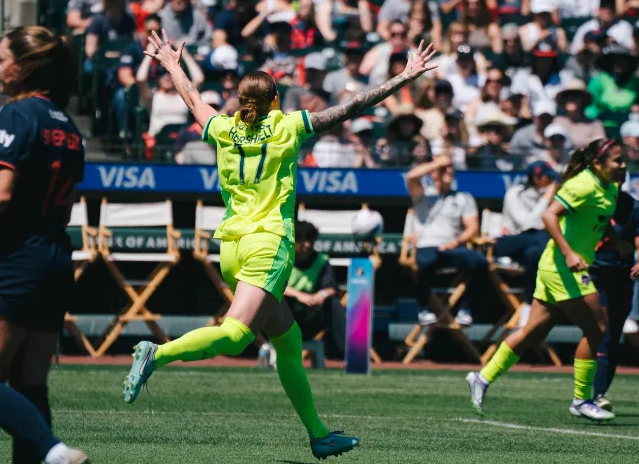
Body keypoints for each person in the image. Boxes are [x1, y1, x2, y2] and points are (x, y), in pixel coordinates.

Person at [122, 30, 438, 458]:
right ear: (275, 99)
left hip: (232, 247)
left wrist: (173, 65)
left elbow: (193, 98)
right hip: (269, 243)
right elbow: (353, 107)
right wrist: (404, 78)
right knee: (236, 336)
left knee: (287, 342)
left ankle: (320, 434)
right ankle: (156, 354)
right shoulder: (287, 126)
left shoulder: (221, 127)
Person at [0, 26, 88, 463]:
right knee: (30, 385)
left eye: (2, 59)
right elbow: (63, 210)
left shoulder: (17, 115)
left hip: (16, 259)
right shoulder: (69, 128)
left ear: (24, 68)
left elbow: (0, 192)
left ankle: (53, 451)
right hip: (54, 258)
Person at [467, 138, 626, 422]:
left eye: (623, 159)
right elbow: (548, 216)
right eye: (617, 161)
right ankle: (581, 399)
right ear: (598, 164)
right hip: (563, 268)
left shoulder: (612, 187)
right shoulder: (582, 184)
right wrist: (569, 253)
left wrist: (617, 242)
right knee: (598, 327)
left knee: (534, 332)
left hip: (555, 267)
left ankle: (482, 377)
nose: (623, 165)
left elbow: (598, 221)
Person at [406, 154, 489, 327]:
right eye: (443, 170)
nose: (448, 171)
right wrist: (438, 163)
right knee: (426, 261)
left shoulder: (463, 197)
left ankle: (465, 309)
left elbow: (473, 227)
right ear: (432, 173)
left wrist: (456, 241)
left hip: (452, 246)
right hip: (427, 245)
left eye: (450, 168)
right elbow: (411, 176)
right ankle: (424, 308)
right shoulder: (423, 195)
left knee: (480, 262)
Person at [590, 191, 639, 413]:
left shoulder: (634, 207)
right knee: (602, 329)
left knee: (614, 334)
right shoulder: (588, 200)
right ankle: (591, 395)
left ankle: (599, 393)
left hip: (622, 274)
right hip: (593, 272)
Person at [493, 161, 558, 308]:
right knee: (542, 240)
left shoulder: (549, 195)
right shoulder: (515, 193)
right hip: (510, 242)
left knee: (534, 253)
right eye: (548, 177)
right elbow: (527, 225)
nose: (552, 182)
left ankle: (529, 305)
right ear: (537, 178)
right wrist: (546, 198)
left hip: (534, 248)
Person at [283, 221, 346, 356]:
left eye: (310, 240)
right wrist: (298, 295)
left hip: (310, 318)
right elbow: (271, 286)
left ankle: (348, 355)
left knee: (333, 303)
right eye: (302, 240)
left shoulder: (321, 260)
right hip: (284, 319)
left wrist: (320, 295)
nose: (307, 245)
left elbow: (332, 287)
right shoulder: (282, 258)